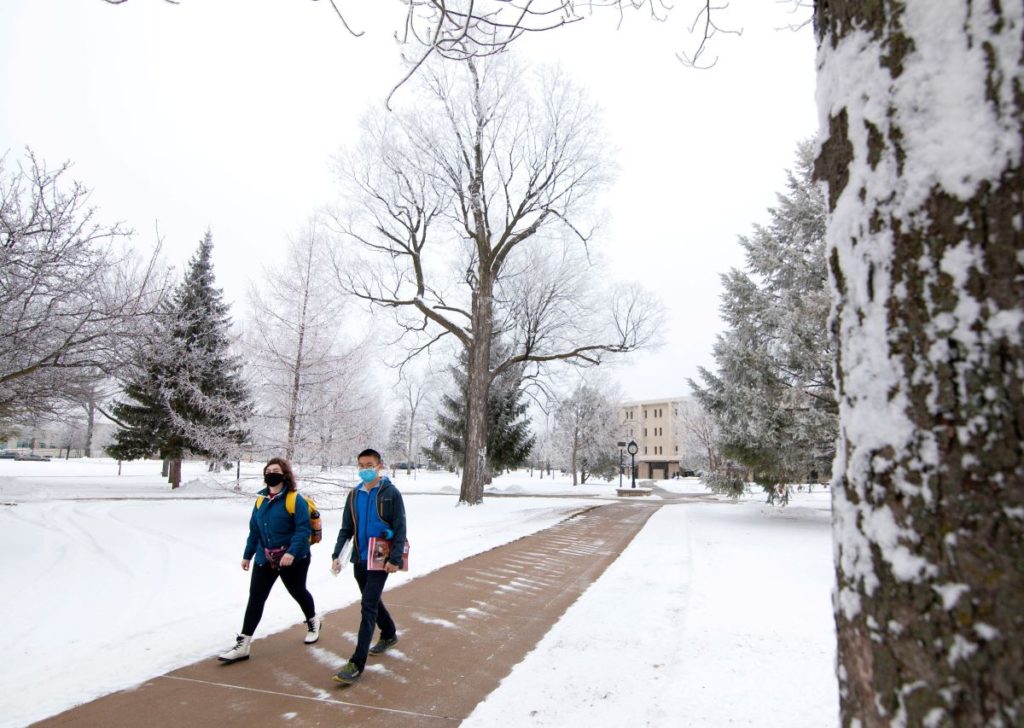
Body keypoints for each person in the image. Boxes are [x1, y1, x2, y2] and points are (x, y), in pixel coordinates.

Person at [218, 457, 321, 663]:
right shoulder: (261, 500)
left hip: (294, 558)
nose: (271, 473)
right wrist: (248, 555)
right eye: (268, 470)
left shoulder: (294, 499)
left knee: (298, 591)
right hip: (265, 559)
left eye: (275, 470)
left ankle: (313, 621)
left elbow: (302, 530)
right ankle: (244, 643)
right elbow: (254, 530)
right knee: (256, 597)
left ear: (284, 475)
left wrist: (291, 553)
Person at [330, 448, 407, 685]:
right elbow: (346, 529)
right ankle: (390, 633)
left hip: (381, 559)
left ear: (379, 466)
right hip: (359, 558)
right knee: (371, 600)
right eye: (361, 465)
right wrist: (337, 555)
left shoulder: (390, 493)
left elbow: (400, 526)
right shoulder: (354, 495)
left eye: (369, 465)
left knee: (368, 606)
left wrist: (394, 559)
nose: (365, 469)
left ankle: (356, 662)